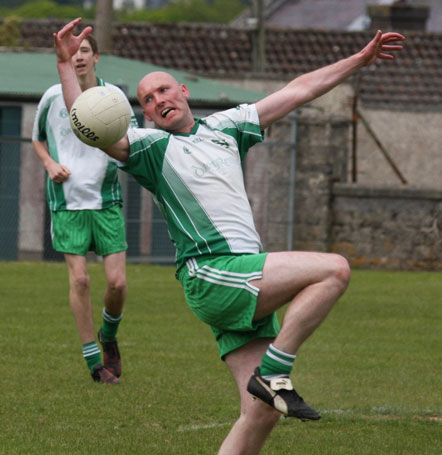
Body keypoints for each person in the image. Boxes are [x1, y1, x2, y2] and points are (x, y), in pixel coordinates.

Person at [53, 18, 404, 453]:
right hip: (213, 273)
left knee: (259, 413)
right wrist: (67, 64)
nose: (158, 100)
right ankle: (275, 372)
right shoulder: (148, 148)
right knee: (334, 269)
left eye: (163, 90)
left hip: (243, 276)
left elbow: (299, 89)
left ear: (183, 92)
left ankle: (269, 381)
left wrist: (360, 59)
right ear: (143, 114)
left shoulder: (227, 126)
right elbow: (87, 121)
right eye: (147, 99)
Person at [32, 32, 137, 385]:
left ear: (96, 57)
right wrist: (48, 164)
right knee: (79, 280)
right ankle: (94, 360)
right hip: (67, 201)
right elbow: (38, 139)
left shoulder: (113, 98)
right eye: (73, 52)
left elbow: (131, 142)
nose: (78, 56)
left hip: (106, 200)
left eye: (85, 51)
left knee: (118, 284)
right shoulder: (51, 96)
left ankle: (109, 335)